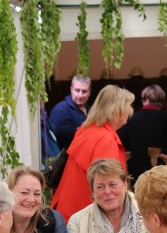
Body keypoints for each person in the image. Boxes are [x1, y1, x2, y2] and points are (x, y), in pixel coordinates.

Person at [51, 85, 133, 222]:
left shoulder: (86, 130)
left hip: (68, 211)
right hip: (86, 218)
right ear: (117, 109)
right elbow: (109, 189)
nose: (131, 111)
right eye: (129, 106)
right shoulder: (106, 139)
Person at [118, 84, 167, 182]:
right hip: (161, 173)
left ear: (146, 100)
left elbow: (120, 138)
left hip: (138, 174)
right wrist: (166, 150)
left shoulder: (134, 118)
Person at [50, 75, 91, 150]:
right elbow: (63, 138)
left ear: (90, 92)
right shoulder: (60, 110)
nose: (80, 95)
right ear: (71, 89)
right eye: (77, 90)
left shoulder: (91, 109)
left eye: (84, 91)